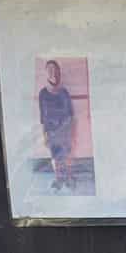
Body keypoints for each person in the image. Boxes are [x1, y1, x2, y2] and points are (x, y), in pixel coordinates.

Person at [37, 59, 75, 190]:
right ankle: (59, 179)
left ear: (59, 72)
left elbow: (70, 115)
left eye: (55, 69)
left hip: (64, 131)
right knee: (54, 157)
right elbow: (42, 117)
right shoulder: (42, 94)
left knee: (66, 155)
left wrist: (70, 134)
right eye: (50, 69)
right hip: (51, 132)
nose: (53, 72)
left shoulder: (64, 93)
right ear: (46, 72)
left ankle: (68, 178)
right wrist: (44, 135)